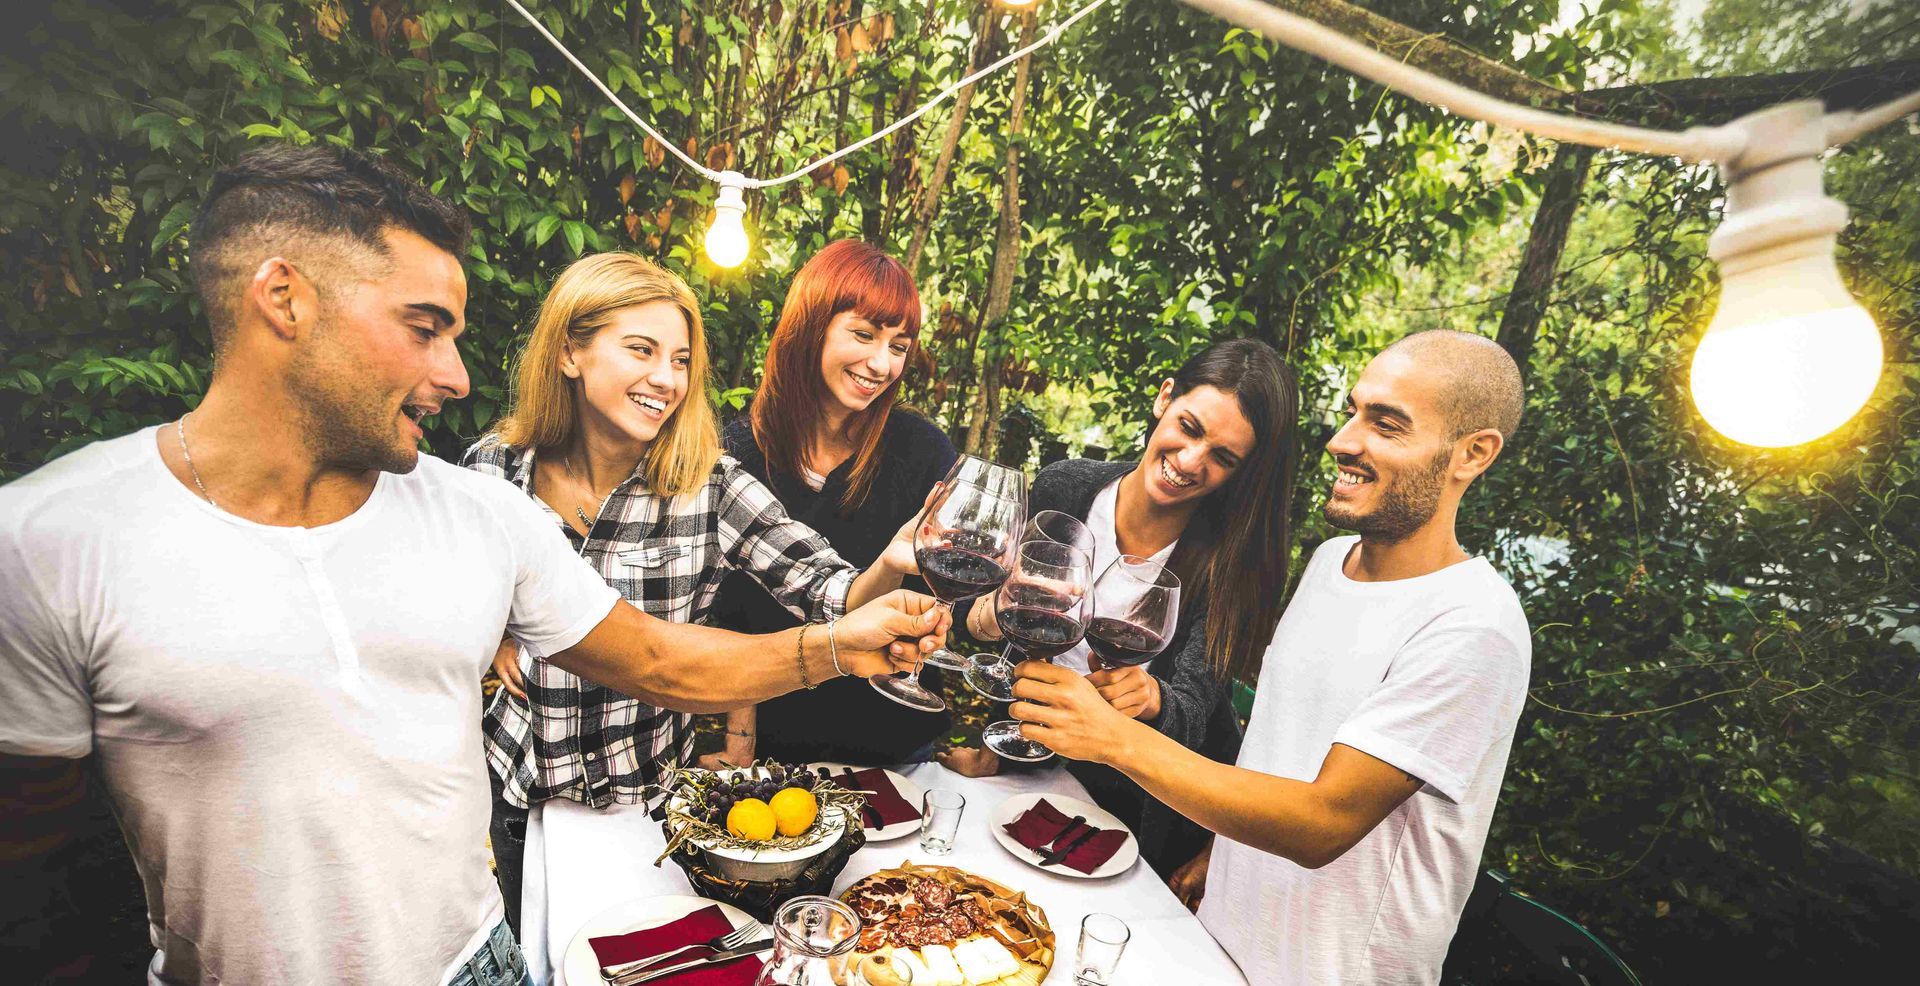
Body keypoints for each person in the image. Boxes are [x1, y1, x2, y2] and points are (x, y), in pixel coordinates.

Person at [0, 144, 944, 986]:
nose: (454, 375)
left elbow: (665, 659)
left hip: (500, 937)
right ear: (283, 299)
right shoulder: (47, 541)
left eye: (680, 360)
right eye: (424, 328)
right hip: (463, 845)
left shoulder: (479, 511)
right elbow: (34, 875)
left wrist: (851, 632)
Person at [1008, 330, 1531, 984]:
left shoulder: (1473, 624)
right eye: (1353, 411)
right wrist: (1216, 851)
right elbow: (1279, 750)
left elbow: (1322, 822)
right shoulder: (1327, 565)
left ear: (1472, 454)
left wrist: (1114, 737)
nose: (1343, 440)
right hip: (1209, 942)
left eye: (1387, 424)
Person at [470, 251, 925, 928]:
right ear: (571, 352)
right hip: (518, 804)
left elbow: (832, 594)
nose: (666, 378)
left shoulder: (711, 486)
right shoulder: (493, 471)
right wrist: (498, 632)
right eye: (642, 351)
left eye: (681, 360)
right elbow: (444, 609)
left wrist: (890, 568)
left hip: (650, 813)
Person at [939, 338, 1299, 877]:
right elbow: (989, 627)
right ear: (1164, 399)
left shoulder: (1232, 562)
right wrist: (987, 619)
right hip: (1031, 773)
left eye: (1223, 457)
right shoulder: (1066, 486)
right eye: (1190, 427)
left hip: (1137, 817)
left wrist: (1154, 698)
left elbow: (1196, 713)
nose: (1190, 461)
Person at [706, 240, 958, 767]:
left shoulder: (921, 451)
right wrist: (741, 741)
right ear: (811, 326)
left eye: (899, 346)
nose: (881, 363)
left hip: (896, 745)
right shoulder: (736, 455)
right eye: (864, 335)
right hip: (777, 748)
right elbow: (732, 622)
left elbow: (947, 598)